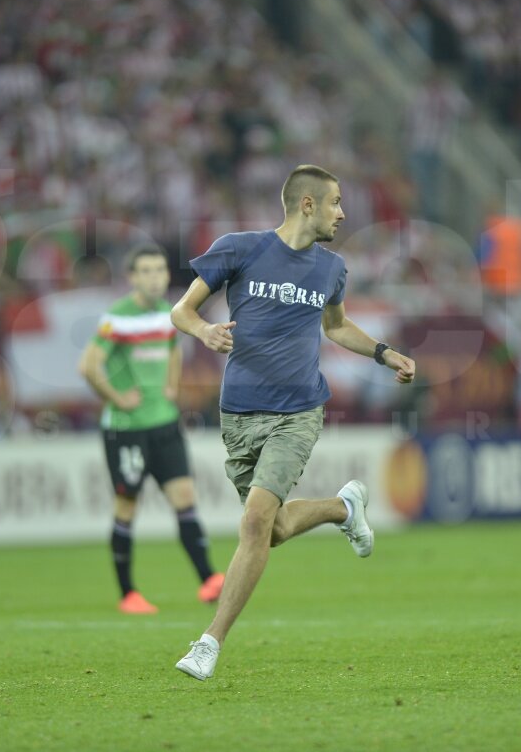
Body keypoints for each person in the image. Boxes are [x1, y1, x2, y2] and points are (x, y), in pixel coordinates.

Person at [170, 164, 416, 680]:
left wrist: (383, 352)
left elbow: (336, 326)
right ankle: (342, 507)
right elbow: (181, 311)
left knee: (254, 522)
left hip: (298, 410)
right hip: (238, 412)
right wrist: (204, 331)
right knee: (273, 529)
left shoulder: (332, 268)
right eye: (335, 202)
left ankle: (208, 643)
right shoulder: (240, 249)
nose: (342, 213)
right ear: (307, 205)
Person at [79, 244, 224, 615]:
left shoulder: (168, 314)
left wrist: (172, 386)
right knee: (127, 505)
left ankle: (208, 579)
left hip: (164, 423)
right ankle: (128, 593)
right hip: (126, 429)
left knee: (184, 497)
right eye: (146, 271)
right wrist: (116, 398)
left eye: (159, 270)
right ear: (132, 277)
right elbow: (89, 366)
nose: (154, 278)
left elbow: (174, 349)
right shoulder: (118, 318)